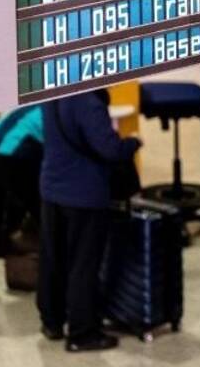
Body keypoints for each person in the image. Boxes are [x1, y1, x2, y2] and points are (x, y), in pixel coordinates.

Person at [38, 89, 141, 352]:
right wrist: (132, 143)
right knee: (83, 264)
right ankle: (82, 333)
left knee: (54, 259)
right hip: (83, 194)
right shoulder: (85, 99)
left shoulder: (52, 89)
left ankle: (52, 321)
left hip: (52, 188)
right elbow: (108, 148)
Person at [0, 105, 44, 295]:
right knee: (43, 213)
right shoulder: (56, 110)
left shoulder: (28, 108)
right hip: (15, 156)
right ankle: (54, 274)